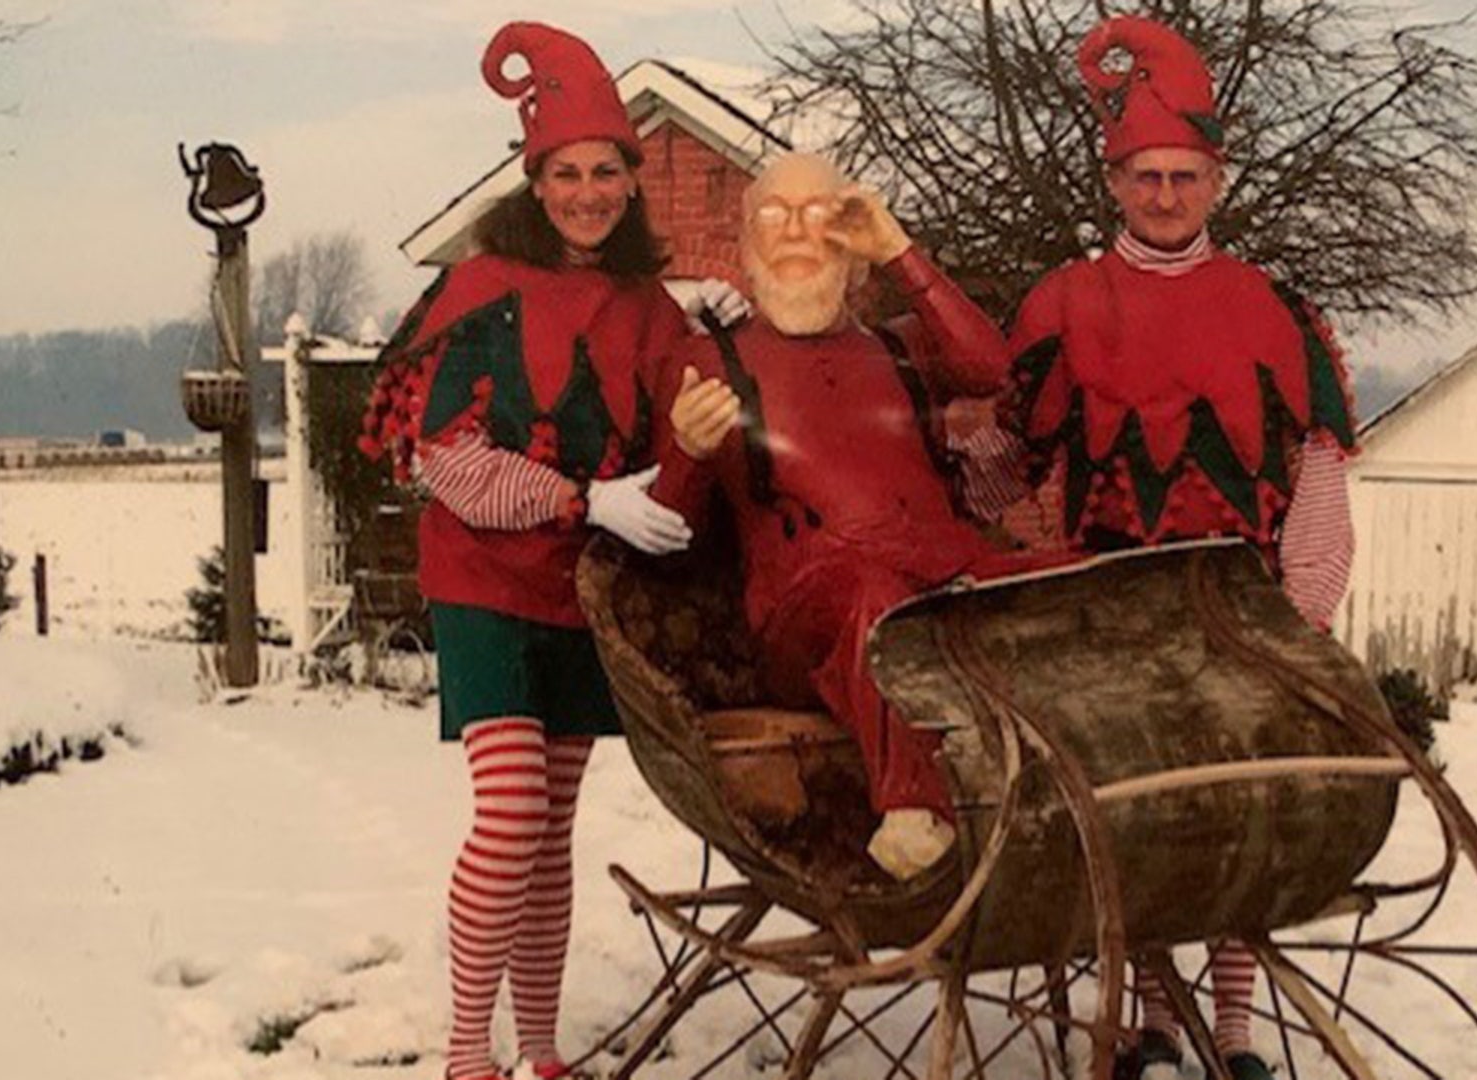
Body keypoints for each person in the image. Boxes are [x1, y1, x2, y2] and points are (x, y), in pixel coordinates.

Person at [359, 22, 739, 1080]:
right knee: (512, 813)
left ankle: (538, 1047)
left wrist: (729, 333)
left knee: (551, 829)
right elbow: (445, 461)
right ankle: (465, 1051)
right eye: (565, 174)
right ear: (535, 184)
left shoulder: (650, 307)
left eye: (606, 172)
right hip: (482, 582)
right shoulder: (481, 288)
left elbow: (686, 432)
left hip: (577, 592)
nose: (587, 193)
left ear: (632, 180)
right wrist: (583, 497)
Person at [999, 17, 1360, 1080]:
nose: (1165, 196)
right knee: (1143, 814)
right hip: (1104, 607)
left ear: (1217, 181)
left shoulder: (1276, 311)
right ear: (1115, 183)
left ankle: (1234, 1029)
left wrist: (1302, 615)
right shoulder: (1063, 303)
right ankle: (1157, 1018)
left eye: (1185, 176)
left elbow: (1320, 472)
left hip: (1237, 606)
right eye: (1147, 177)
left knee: (1248, 807)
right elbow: (1010, 470)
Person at [652, 152, 1048, 881]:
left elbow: (994, 372)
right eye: (774, 214)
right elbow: (671, 535)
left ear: (853, 246)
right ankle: (914, 812)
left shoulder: (901, 346)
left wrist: (900, 253)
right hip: (812, 606)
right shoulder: (707, 359)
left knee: (1064, 579)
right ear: (745, 244)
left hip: (943, 575)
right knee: (870, 597)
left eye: (820, 214)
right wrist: (688, 453)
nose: (796, 231)